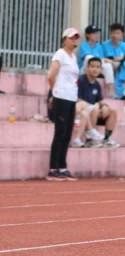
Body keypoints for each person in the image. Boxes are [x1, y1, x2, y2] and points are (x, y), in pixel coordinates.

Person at [46, 28, 81, 181]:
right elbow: (51, 75)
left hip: (71, 98)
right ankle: (53, 168)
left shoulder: (73, 57)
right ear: (64, 40)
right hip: (61, 97)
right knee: (60, 132)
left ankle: (62, 166)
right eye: (71, 38)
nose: (74, 40)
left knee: (67, 133)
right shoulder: (60, 54)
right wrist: (54, 93)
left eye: (76, 38)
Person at [76, 57, 119, 148]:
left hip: (93, 112)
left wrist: (104, 106)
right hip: (80, 113)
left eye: (98, 67)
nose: (95, 69)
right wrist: (92, 107)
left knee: (112, 111)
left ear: (101, 69)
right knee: (95, 109)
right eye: (92, 66)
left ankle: (107, 139)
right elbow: (77, 99)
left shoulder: (96, 84)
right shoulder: (81, 80)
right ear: (87, 67)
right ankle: (90, 140)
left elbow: (100, 100)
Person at [78, 25, 116, 98]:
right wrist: (105, 59)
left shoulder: (99, 46)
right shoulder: (84, 45)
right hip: (84, 70)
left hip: (96, 69)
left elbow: (100, 62)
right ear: (87, 35)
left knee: (107, 66)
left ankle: (111, 91)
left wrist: (105, 61)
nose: (96, 35)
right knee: (89, 57)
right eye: (93, 33)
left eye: (97, 33)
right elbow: (89, 60)